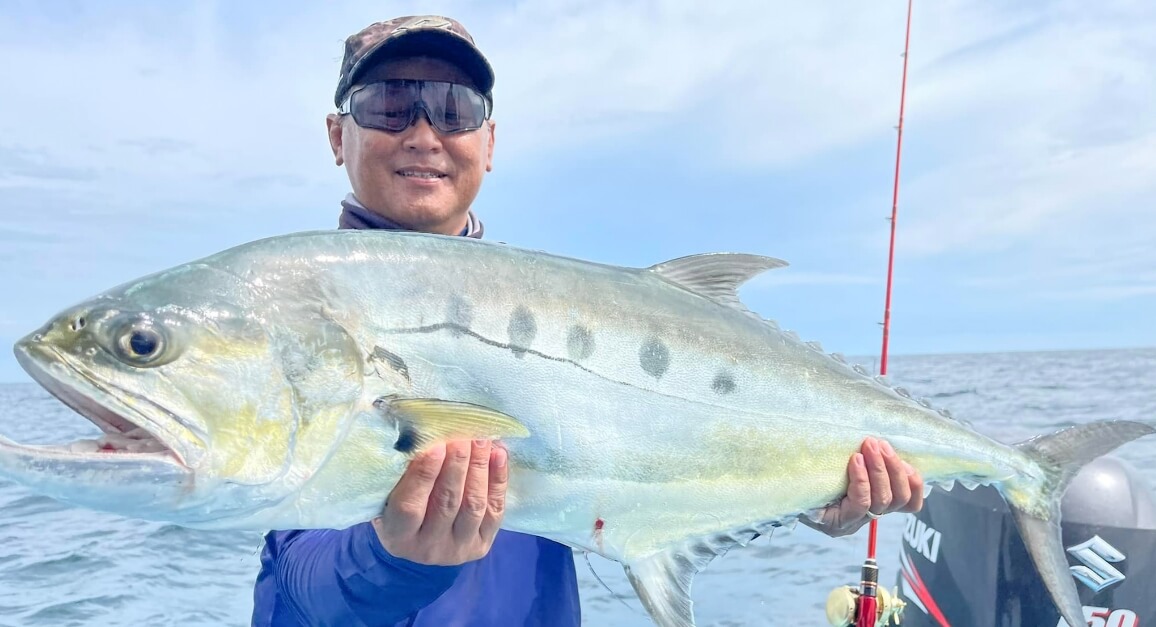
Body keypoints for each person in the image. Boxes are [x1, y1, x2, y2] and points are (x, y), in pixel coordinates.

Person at [250, 15, 926, 627]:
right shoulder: (302, 304)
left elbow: (668, 458)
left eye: (455, 110)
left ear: (488, 142)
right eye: (390, 105)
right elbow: (306, 576)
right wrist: (394, 558)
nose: (424, 133)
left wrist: (818, 491)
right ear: (340, 135)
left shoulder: (560, 314)